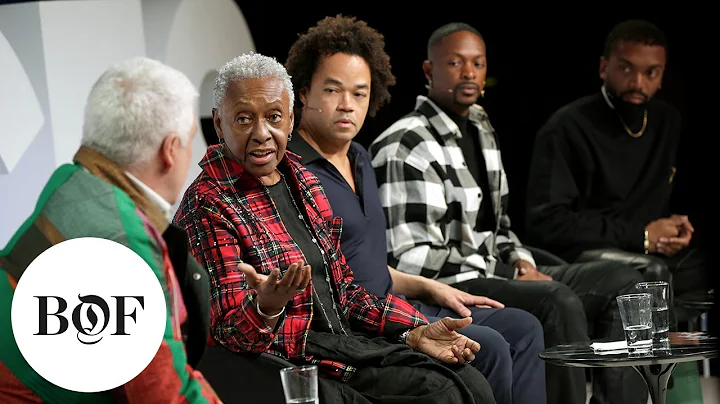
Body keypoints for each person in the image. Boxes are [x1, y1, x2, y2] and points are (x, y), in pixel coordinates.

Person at [172, 52, 495, 404]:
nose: (262, 133)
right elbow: (227, 339)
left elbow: (345, 293)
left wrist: (414, 329)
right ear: (220, 124)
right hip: (290, 367)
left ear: (291, 119)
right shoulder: (209, 204)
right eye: (244, 119)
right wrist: (267, 307)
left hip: (345, 346)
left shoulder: (304, 183)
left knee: (468, 380)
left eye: (274, 117)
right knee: (441, 393)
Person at [369, 22, 648, 404]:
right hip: (454, 282)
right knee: (557, 300)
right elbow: (413, 257)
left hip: (493, 268)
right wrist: (509, 275)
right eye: (455, 63)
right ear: (429, 71)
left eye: (478, 64)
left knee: (626, 281)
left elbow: (499, 226)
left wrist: (519, 263)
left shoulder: (482, 127)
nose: (469, 73)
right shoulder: (406, 144)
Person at [284, 15, 546, 404]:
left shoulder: (359, 157)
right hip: (361, 323)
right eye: (333, 90)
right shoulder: (294, 172)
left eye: (360, 93)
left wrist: (434, 288)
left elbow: (368, 260)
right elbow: (331, 280)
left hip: (398, 300)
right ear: (304, 92)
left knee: (524, 328)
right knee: (486, 344)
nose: (347, 105)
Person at [0, 57, 221, 403]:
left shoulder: (70, 183)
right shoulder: (121, 242)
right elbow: (164, 397)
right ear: (169, 151)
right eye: (190, 139)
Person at [524, 19, 707, 300]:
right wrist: (642, 236)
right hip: (582, 251)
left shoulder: (667, 121)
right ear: (603, 68)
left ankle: (691, 344)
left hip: (641, 245)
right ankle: (655, 344)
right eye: (625, 69)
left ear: (662, 76)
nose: (637, 83)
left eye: (651, 73)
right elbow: (548, 223)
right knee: (651, 273)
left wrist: (675, 227)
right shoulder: (567, 126)